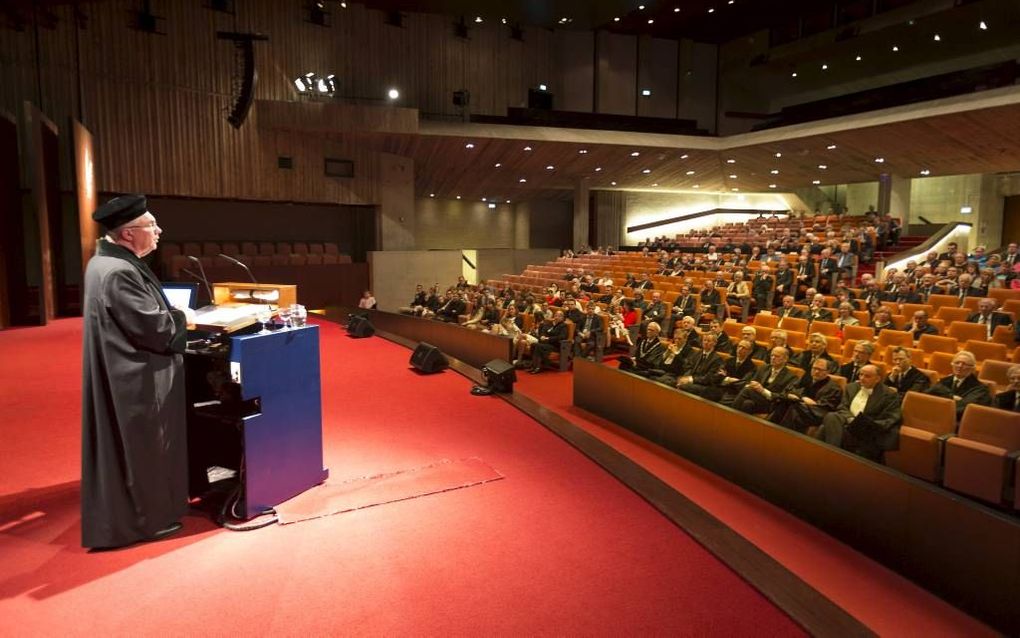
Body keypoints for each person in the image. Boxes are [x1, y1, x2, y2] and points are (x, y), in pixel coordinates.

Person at [81, 194, 191, 549]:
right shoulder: (119, 272)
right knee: (146, 447)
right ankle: (149, 520)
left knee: (137, 447)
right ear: (128, 234)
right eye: (151, 226)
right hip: (137, 375)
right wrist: (181, 318)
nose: (158, 231)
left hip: (123, 367)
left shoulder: (107, 262)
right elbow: (156, 331)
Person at [815, 365, 902, 462]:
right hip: (846, 423)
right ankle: (833, 455)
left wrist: (868, 425)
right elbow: (842, 407)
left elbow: (892, 417)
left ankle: (827, 457)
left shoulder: (889, 394)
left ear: (877, 379)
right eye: (860, 374)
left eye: (867, 376)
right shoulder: (851, 387)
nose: (862, 378)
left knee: (824, 429)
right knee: (832, 416)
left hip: (866, 430)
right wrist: (850, 419)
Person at [772, 358, 843, 433]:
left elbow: (826, 407)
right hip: (800, 407)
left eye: (820, 370)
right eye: (814, 368)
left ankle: (782, 435)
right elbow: (790, 390)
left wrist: (810, 403)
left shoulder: (834, 388)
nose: (816, 372)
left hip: (816, 414)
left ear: (828, 371)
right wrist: (801, 398)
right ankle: (771, 430)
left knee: (795, 408)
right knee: (784, 402)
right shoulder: (805, 379)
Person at [927, 351, 993, 420]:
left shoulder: (980, 389)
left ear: (972, 368)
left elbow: (964, 409)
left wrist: (943, 397)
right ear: (952, 364)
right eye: (957, 363)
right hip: (936, 416)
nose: (960, 366)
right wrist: (952, 396)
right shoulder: (944, 381)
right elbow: (928, 395)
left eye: (965, 364)